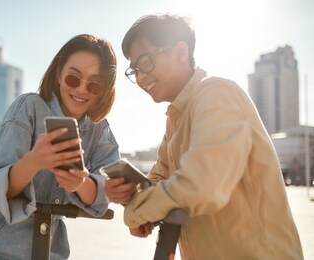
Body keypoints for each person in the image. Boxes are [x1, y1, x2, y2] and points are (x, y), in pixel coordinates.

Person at [105, 13, 304, 259]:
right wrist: (128, 193)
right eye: (134, 70)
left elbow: (201, 185)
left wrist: (137, 211)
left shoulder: (215, 92)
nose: (141, 77)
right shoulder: (176, 117)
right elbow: (160, 178)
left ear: (180, 52)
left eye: (145, 62)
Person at [0, 33, 120, 260]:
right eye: (73, 79)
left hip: (51, 249)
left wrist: (82, 183)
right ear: (58, 74)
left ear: (104, 91)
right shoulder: (28, 107)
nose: (82, 89)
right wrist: (35, 160)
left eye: (95, 85)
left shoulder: (100, 129)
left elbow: (106, 190)